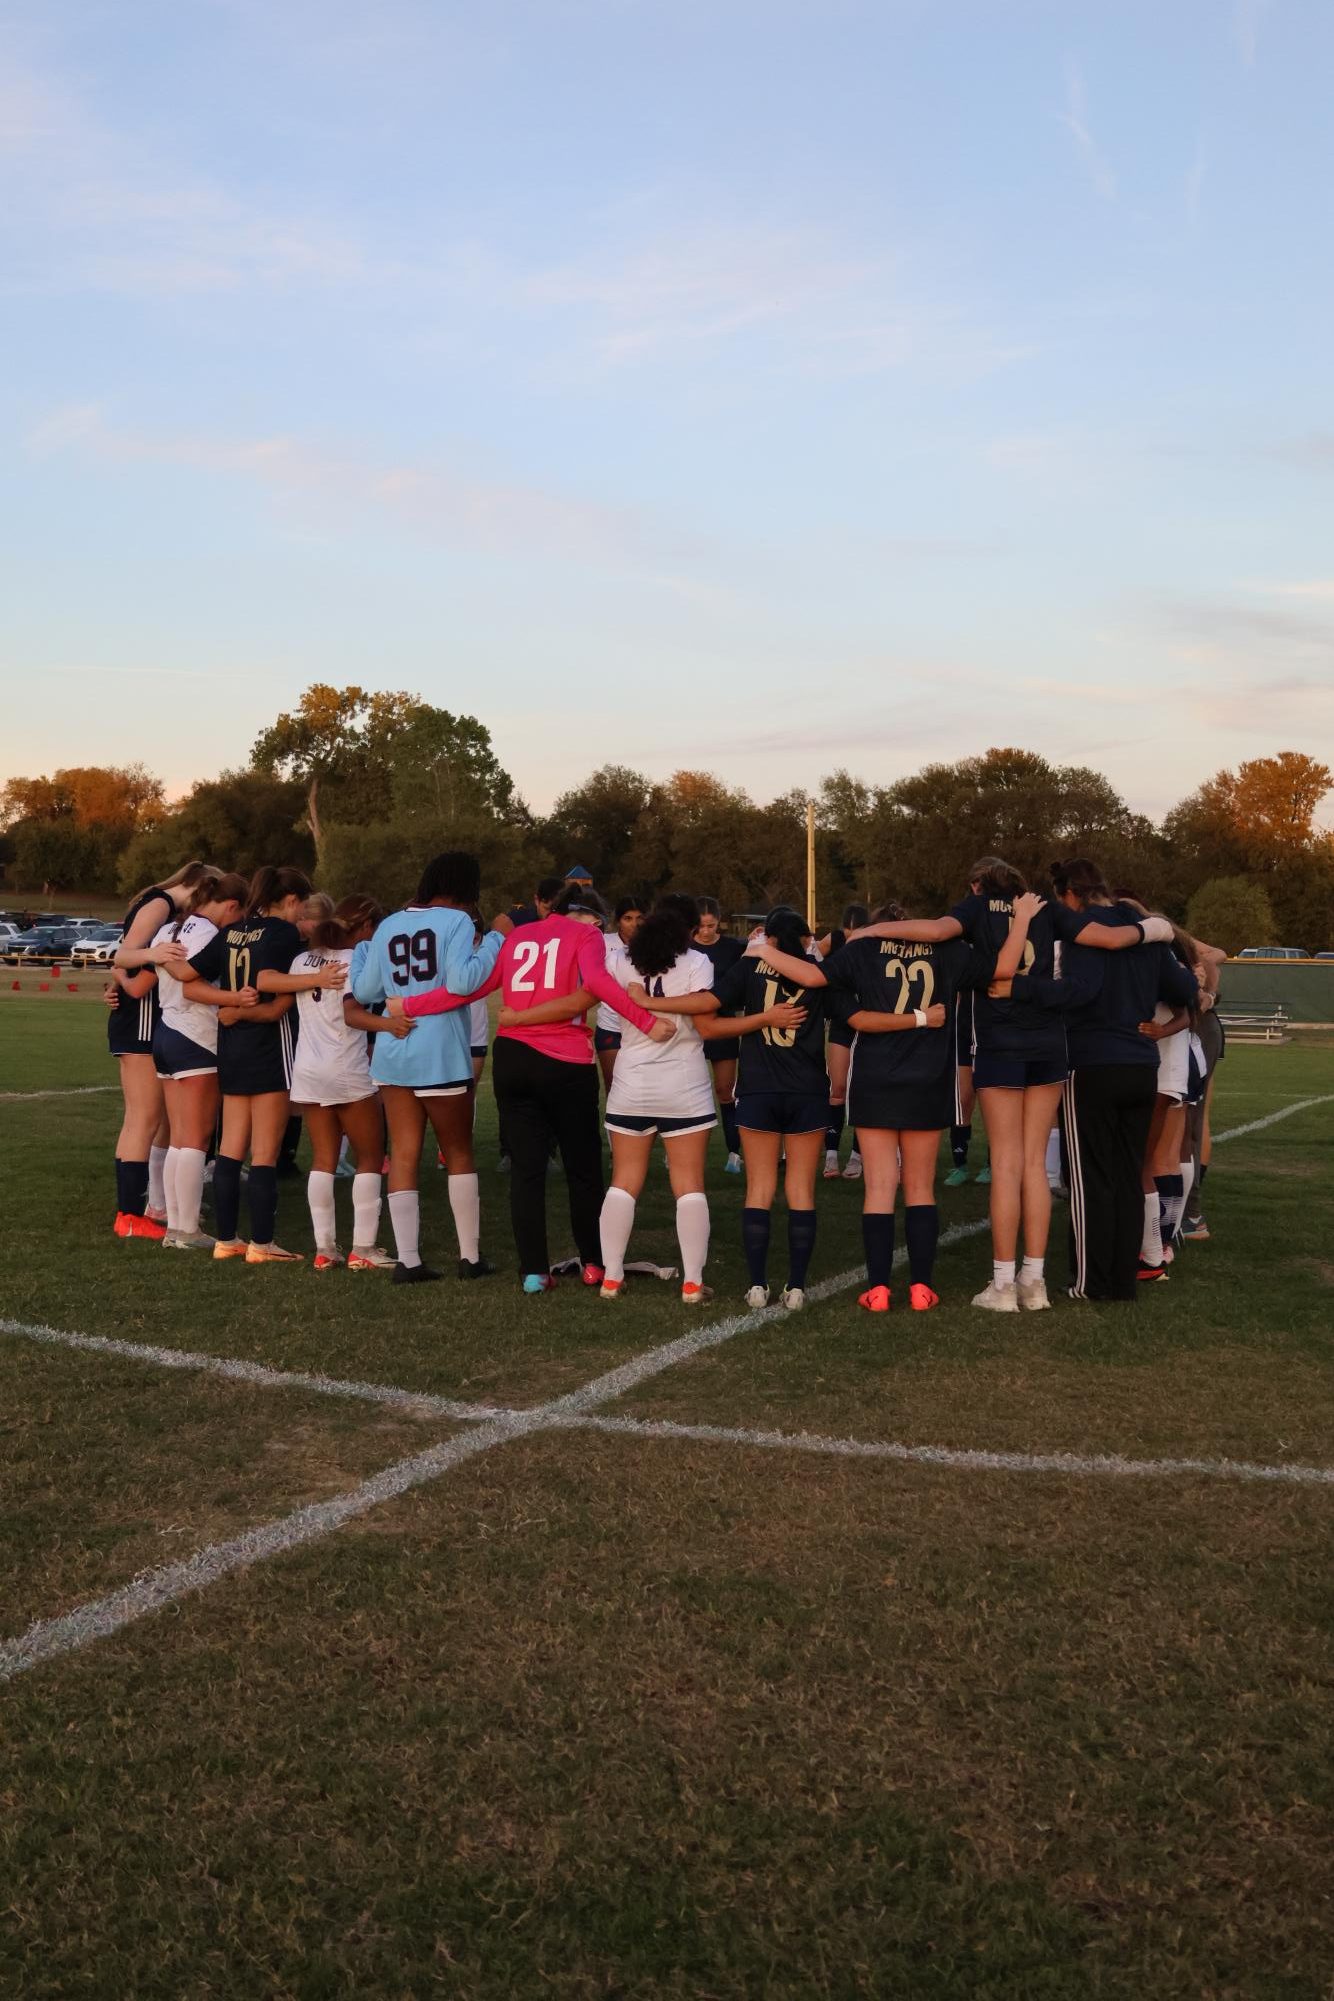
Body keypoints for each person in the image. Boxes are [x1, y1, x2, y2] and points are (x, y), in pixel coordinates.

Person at [851, 860, 1167, 1312]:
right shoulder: (1043, 908)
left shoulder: (978, 907)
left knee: (1006, 1163)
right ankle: (1033, 1282)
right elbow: (1111, 938)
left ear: (977, 884)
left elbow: (938, 931)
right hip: (1048, 1045)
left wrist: (871, 932)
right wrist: (1158, 928)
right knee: (1035, 1165)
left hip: (1000, 1045)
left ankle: (1002, 1284)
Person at [392, 884, 675, 1291]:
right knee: (583, 1167)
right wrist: (647, 1021)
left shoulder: (519, 935)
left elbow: (473, 987)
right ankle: (594, 1262)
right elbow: (596, 981)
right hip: (564, 1060)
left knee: (526, 1170)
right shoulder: (588, 935)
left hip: (513, 1057)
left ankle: (532, 1272)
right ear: (594, 919)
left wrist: (412, 1005)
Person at [753, 905, 987, 1312]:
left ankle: (878, 1289)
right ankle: (921, 1288)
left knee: (879, 1185)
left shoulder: (863, 948)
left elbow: (813, 977)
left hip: (876, 1078)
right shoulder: (947, 950)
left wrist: (759, 948)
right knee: (919, 1186)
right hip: (928, 1078)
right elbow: (999, 968)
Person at [990, 858, 1197, 1303]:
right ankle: (1122, 1279)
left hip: (1094, 1063)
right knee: (1125, 1176)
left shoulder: (1083, 931)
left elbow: (1081, 991)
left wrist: (1021, 989)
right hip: (1142, 1067)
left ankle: (1090, 1281)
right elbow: (1185, 991)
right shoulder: (1148, 933)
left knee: (1090, 1180)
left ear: (1068, 894)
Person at [640, 906, 823, 1308]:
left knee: (758, 1188)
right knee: (801, 1190)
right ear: (804, 939)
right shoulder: (814, 970)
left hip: (759, 1089)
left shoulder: (749, 966)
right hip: (807, 1090)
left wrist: (652, 1003)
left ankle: (757, 1285)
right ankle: (797, 1287)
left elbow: (708, 1003)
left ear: (769, 939)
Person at [352, 851, 508, 1284]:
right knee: (458, 1151)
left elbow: (366, 989)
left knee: (402, 1153)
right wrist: (495, 939)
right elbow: (462, 981)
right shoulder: (457, 922)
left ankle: (409, 1260)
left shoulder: (388, 924)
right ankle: (470, 1257)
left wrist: (364, 951)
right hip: (440, 1051)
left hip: (393, 1050)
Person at [184, 865, 340, 1263]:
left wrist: (230, 1002)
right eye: (301, 905)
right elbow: (271, 987)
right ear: (291, 901)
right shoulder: (283, 933)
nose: (302, 915)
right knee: (265, 1153)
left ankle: (225, 1239)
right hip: (269, 1048)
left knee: (231, 1148)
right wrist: (316, 978)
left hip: (232, 1045)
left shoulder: (232, 931)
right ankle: (263, 1243)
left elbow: (188, 979)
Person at [595, 897, 721, 1304]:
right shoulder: (697, 962)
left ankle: (612, 1277)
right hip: (683, 1085)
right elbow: (706, 1007)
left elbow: (604, 1002)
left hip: (631, 1082)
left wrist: (644, 1004)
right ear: (688, 930)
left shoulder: (619, 961)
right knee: (688, 1184)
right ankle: (692, 1282)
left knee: (624, 1181)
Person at [288, 895, 405, 1271]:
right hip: (346, 1065)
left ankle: (325, 1249)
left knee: (323, 1159)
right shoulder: (358, 959)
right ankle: (363, 1248)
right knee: (370, 1156)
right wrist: (389, 1024)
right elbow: (352, 1014)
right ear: (366, 926)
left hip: (307, 1067)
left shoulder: (302, 960)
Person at [109, 860, 217, 1238]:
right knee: (145, 1118)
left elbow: (123, 962)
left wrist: (121, 979)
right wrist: (156, 956)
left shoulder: (163, 907)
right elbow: (124, 955)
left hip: (139, 1016)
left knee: (145, 1120)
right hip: (140, 1018)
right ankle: (130, 1216)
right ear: (198, 886)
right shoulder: (161, 905)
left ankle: (139, 1210)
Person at [146, 870, 248, 1249]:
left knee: (178, 1138)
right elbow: (196, 987)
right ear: (232, 906)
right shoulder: (211, 934)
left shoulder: (170, 929)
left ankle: (176, 1227)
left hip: (166, 1031)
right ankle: (186, 1229)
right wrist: (236, 999)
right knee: (195, 1138)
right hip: (196, 1036)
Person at [693, 896, 746, 1173]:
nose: (705, 931)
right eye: (701, 926)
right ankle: (678, 1152)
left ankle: (734, 1154)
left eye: (711, 926)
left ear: (718, 922)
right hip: (691, 1028)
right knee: (687, 1090)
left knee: (725, 1090)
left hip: (723, 1024)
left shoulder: (732, 948)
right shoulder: (685, 949)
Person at [820, 903, 868, 1181]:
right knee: (836, 1089)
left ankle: (857, 1156)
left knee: (861, 1092)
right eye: (849, 936)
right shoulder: (835, 940)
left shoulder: (876, 941)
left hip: (869, 1022)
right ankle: (831, 1155)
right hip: (842, 1022)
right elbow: (811, 959)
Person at [594, 896, 645, 1090]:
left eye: (640, 917)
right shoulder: (602, 942)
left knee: (644, 1088)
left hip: (643, 1026)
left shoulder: (654, 944)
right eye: (628, 918)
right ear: (618, 921)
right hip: (611, 1025)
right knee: (614, 1087)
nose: (634, 924)